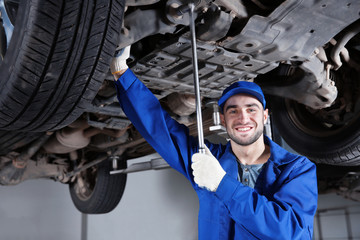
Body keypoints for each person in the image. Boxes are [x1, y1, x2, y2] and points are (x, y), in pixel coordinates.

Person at [110, 46, 318, 240]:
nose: (243, 118)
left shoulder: (296, 169)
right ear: (223, 119)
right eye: (233, 110)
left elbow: (292, 232)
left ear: (264, 116)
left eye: (251, 109)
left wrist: (221, 183)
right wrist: (122, 73)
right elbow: (160, 129)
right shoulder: (207, 160)